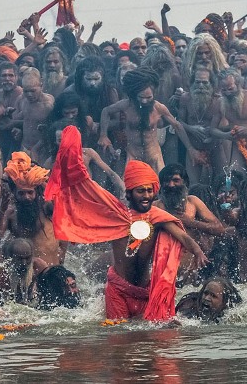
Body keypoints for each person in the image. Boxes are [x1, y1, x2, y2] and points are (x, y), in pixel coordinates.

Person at [45, 126, 209, 321]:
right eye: (140, 191)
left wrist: (198, 251)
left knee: (151, 341)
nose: (146, 195)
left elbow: (183, 236)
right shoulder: (116, 215)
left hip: (145, 290)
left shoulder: (157, 217)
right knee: (119, 340)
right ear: (130, 193)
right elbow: (88, 188)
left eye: (149, 190)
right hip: (118, 291)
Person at [98, 67, 204, 173]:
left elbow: (177, 126)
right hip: (133, 157)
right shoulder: (125, 105)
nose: (144, 101)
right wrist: (103, 135)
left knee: (160, 187)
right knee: (129, 188)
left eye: (148, 98)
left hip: (154, 158)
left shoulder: (158, 108)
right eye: (141, 97)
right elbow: (106, 111)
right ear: (134, 95)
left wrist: (190, 149)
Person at [154, 164, 224, 280]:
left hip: (192, 275)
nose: (171, 185)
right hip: (163, 274)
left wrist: (190, 222)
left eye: (175, 180)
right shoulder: (156, 207)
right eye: (167, 181)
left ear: (185, 182)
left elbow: (219, 229)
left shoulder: (193, 202)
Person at [0, 152, 66, 266]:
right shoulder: (11, 213)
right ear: (14, 193)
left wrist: (42, 183)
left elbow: (64, 212)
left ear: (37, 192)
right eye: (21, 193)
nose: (27, 197)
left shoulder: (47, 208)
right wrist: (2, 210)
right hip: (24, 270)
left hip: (50, 270)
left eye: (30, 192)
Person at [211, 68, 247, 169]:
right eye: (223, 90)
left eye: (230, 89)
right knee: (235, 179)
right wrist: (226, 135)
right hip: (238, 146)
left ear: (238, 85)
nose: (228, 93)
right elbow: (212, 129)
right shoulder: (220, 103)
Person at [176, 68, 224, 184]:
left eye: (205, 82)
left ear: (212, 84)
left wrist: (213, 134)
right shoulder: (185, 99)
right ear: (191, 83)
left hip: (215, 148)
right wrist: (191, 129)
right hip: (193, 148)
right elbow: (178, 123)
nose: (200, 86)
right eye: (197, 82)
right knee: (194, 186)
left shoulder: (219, 101)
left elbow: (225, 126)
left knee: (221, 182)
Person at [11, 68, 54, 152]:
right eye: (26, 91)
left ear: (41, 86)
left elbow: (53, 129)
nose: (29, 95)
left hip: (42, 150)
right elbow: (18, 119)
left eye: (33, 91)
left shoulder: (48, 104)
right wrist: (18, 129)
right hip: (24, 147)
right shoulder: (21, 99)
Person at [0, 238, 48, 305]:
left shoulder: (39, 266)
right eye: (19, 259)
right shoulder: (1, 270)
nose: (24, 263)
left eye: (27, 258)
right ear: (10, 257)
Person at [175, 277, 242, 322]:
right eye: (205, 293)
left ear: (224, 302)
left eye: (213, 296)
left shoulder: (232, 315)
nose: (207, 298)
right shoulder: (190, 303)